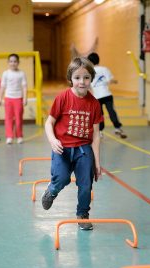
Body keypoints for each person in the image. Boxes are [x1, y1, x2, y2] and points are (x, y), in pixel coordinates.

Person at [41, 57, 103, 230]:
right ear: (70, 79)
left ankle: (82, 214)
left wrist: (97, 163)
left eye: (86, 78)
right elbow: (49, 123)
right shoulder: (63, 98)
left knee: (86, 184)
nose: (81, 82)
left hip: (83, 149)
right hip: (63, 148)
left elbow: (96, 135)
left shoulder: (95, 104)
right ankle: (52, 190)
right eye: (77, 78)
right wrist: (53, 140)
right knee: (62, 178)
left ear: (91, 78)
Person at [87, 52, 127, 138]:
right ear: (98, 60)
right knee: (111, 111)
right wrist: (115, 81)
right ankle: (117, 127)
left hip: (96, 97)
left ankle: (100, 131)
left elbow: (88, 85)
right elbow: (110, 81)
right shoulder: (104, 69)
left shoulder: (89, 72)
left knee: (99, 114)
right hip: (107, 94)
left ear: (90, 62)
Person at [0, 53, 27, 144]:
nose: (13, 63)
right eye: (11, 61)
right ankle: (9, 136)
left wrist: (25, 98)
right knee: (8, 118)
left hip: (18, 98)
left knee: (18, 118)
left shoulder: (21, 73)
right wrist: (0, 98)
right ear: (8, 62)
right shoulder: (5, 73)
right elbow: (2, 87)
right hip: (8, 98)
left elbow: (24, 87)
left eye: (15, 61)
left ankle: (19, 136)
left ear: (18, 62)